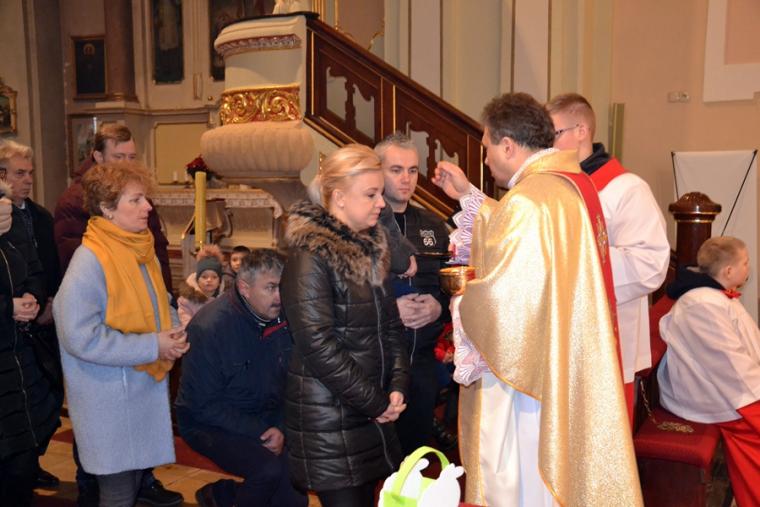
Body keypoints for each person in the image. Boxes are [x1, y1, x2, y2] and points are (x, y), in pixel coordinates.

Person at [432, 93, 641, 506]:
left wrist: (462, 301)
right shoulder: (567, 186)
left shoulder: (529, 201)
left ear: (509, 145)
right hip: (558, 356)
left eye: (488, 148)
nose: (486, 159)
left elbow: (505, 306)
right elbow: (510, 231)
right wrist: (468, 195)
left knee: (525, 476)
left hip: (528, 376)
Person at [53, 124, 180, 507]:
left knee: (132, 483)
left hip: (137, 389)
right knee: (118, 492)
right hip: (108, 396)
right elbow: (79, 336)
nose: (147, 207)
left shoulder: (138, 248)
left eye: (145, 199)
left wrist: (176, 326)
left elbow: (158, 302)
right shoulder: (90, 259)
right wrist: (153, 345)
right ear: (108, 209)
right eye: (136, 200)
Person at [281, 144, 409, 507]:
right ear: (338, 197)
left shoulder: (370, 247)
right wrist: (375, 402)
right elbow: (317, 344)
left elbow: (391, 326)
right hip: (329, 418)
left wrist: (397, 385)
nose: (381, 203)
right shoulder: (310, 256)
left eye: (380, 194)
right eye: (370, 194)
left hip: (369, 412)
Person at [547, 93, 670, 421]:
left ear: (581, 131)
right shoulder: (551, 188)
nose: (546, 145)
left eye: (553, 134)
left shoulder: (627, 188)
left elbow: (650, 264)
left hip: (606, 342)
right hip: (558, 338)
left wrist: (575, 259)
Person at [176, 249, 307, 507]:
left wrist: (280, 427)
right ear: (245, 288)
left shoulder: (284, 317)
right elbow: (202, 404)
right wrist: (261, 431)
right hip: (208, 423)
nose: (280, 296)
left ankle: (223, 495)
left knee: (293, 496)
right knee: (266, 471)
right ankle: (225, 495)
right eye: (271, 288)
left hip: (265, 416)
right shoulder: (209, 328)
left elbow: (293, 382)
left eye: (283, 287)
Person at [657, 236, 760, 506]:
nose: (749, 268)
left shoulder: (717, 295)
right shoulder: (702, 304)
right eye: (746, 262)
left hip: (728, 385)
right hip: (709, 393)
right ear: (729, 271)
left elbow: (748, 346)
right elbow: (729, 364)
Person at [375, 132, 450, 455]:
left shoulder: (434, 225)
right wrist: (390, 309)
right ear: (377, 171)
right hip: (376, 363)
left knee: (414, 459)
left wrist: (439, 307)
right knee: (375, 462)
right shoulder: (363, 224)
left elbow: (451, 285)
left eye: (413, 170)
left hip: (422, 363)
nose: (406, 179)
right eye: (396, 170)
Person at [0, 140, 64, 489]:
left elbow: (41, 266)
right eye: (19, 173)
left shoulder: (38, 217)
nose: (27, 180)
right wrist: (10, 306)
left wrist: (40, 298)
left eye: (30, 173)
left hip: (35, 327)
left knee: (45, 401)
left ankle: (30, 461)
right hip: (8, 335)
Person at [178, 246, 224, 326]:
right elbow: (185, 319)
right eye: (204, 277)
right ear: (197, 280)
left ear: (219, 281)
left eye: (214, 277)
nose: (209, 280)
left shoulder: (223, 300)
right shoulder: (188, 299)